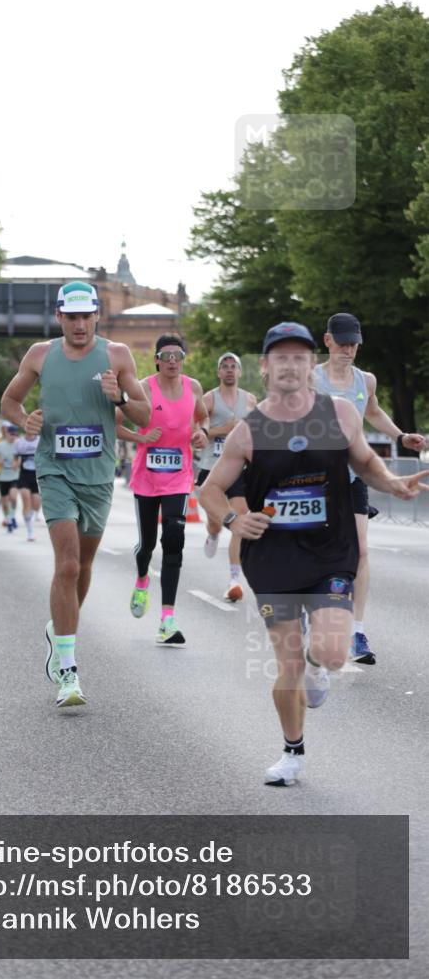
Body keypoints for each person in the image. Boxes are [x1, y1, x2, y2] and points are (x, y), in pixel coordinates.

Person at [202, 322, 429, 787]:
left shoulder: (340, 413)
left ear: (310, 365)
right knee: (287, 664)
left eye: (299, 357)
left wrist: (391, 483)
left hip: (330, 550)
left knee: (328, 653)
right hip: (273, 558)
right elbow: (210, 491)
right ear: (264, 368)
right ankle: (292, 753)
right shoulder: (250, 431)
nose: (290, 365)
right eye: (280, 357)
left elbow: (365, 462)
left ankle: (319, 665)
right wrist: (232, 521)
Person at [0, 280, 150, 707]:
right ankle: (68, 669)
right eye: (72, 316)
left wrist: (118, 396)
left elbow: (144, 416)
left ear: (96, 316)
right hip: (54, 470)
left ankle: (58, 631)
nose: (80, 324)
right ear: (59, 316)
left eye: (87, 316)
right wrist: (24, 419)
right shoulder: (40, 355)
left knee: (83, 565)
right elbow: (9, 400)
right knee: (66, 565)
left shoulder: (117, 355)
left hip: (98, 474)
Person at [314, 313, 426, 664]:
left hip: (353, 474)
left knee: (361, 552)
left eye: (354, 344)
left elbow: (373, 411)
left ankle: (356, 633)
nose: (349, 350)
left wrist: (400, 436)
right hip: (315, 478)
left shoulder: (366, 380)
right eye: (342, 343)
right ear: (328, 340)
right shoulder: (310, 379)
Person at [117, 334, 207, 644]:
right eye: (166, 355)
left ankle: (167, 619)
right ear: (156, 359)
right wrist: (140, 439)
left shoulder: (193, 388)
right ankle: (142, 578)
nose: (172, 360)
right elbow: (116, 422)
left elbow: (202, 418)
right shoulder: (142, 388)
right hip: (147, 478)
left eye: (177, 355)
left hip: (179, 477)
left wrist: (201, 433)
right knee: (148, 546)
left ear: (183, 359)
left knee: (174, 539)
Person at [197, 353, 257, 601]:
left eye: (234, 367)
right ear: (219, 372)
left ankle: (234, 580)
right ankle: (212, 534)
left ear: (240, 372)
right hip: (212, 469)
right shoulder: (209, 400)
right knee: (215, 523)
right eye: (225, 367)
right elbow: (197, 431)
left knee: (239, 522)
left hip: (237, 470)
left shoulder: (251, 401)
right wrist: (224, 430)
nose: (230, 370)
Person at [0, 425, 21, 531]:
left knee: (13, 497)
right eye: (11, 434)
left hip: (15, 476)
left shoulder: (19, 444)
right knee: (4, 503)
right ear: (6, 434)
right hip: (3, 477)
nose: (13, 436)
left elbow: (26, 457)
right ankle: (7, 518)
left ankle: (12, 516)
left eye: (15, 434)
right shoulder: (0, 445)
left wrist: (18, 463)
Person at [13, 429, 41, 540]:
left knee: (36, 504)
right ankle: (30, 532)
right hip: (24, 476)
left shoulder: (40, 440)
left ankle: (32, 516)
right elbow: (15, 457)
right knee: (26, 500)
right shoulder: (19, 442)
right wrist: (14, 464)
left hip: (38, 476)